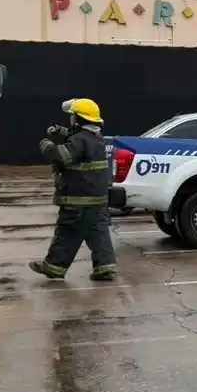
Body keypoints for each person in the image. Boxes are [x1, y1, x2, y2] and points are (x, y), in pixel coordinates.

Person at [31, 97, 116, 281]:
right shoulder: (96, 138)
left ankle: (54, 268)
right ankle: (105, 268)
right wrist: (61, 131)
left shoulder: (80, 140)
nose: (70, 120)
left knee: (67, 233)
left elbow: (62, 156)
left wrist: (46, 145)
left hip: (78, 200)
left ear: (79, 119)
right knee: (99, 233)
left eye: (72, 117)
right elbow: (77, 138)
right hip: (98, 200)